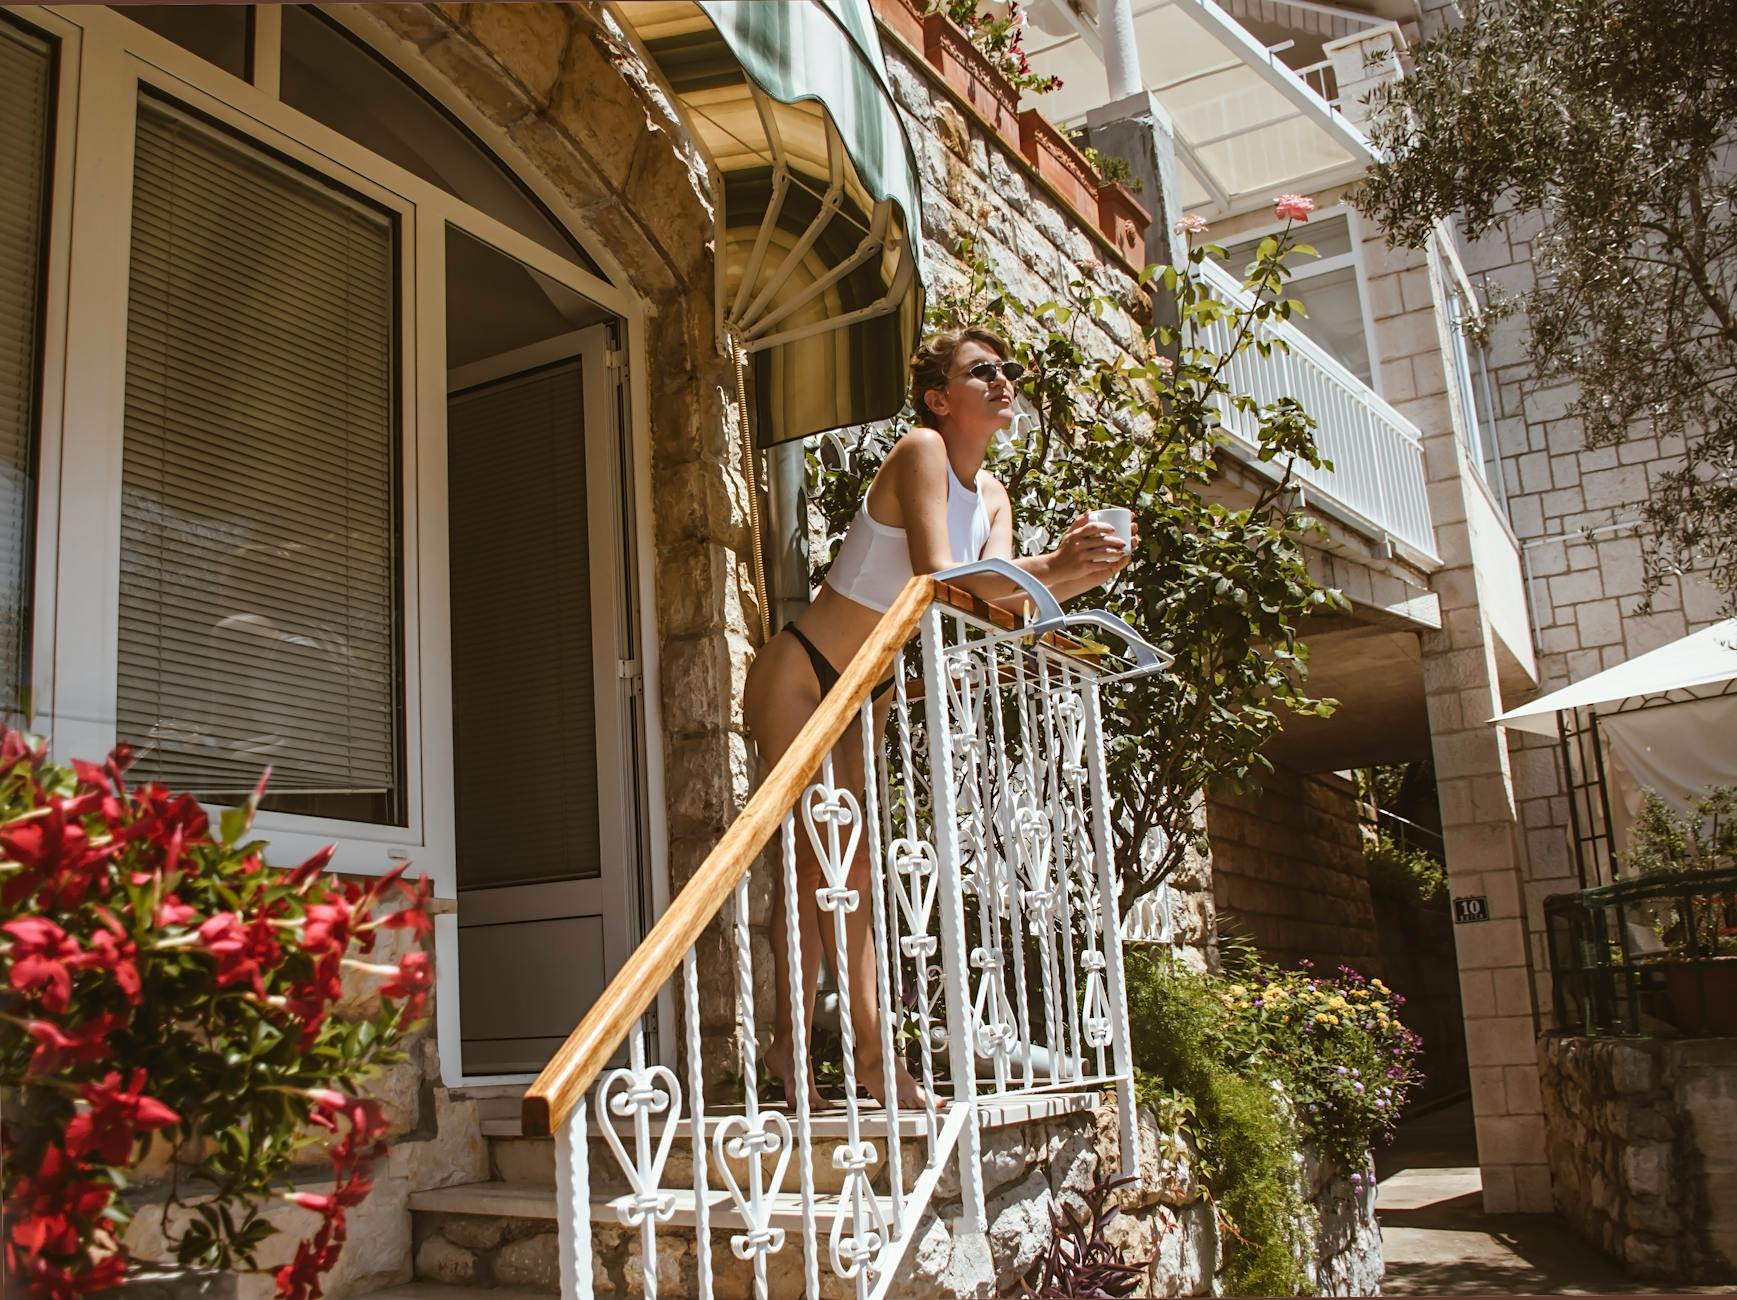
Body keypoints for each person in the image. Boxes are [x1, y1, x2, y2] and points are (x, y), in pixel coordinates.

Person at [742, 326, 1136, 1110]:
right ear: (938, 397)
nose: (1001, 381)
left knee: (837, 871)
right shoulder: (920, 450)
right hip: (804, 672)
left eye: (1006, 370)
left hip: (870, 690)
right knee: (829, 867)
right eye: (979, 371)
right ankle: (869, 1057)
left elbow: (989, 611)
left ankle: (794, 1047)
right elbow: (938, 580)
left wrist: (1080, 577)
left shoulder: (993, 496)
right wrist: (1055, 567)